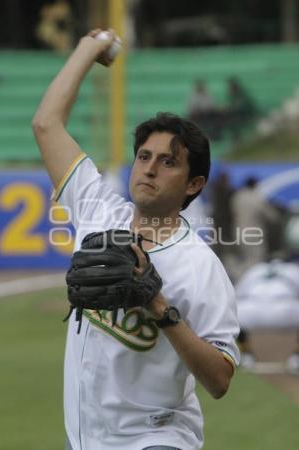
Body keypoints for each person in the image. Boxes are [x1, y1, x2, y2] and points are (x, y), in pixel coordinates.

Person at [32, 28, 240, 450]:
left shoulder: (199, 265)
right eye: (144, 156)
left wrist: (159, 306)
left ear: (193, 184)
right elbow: (46, 123)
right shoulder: (96, 211)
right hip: (87, 439)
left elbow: (219, 379)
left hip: (157, 438)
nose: (149, 169)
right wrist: (89, 47)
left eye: (168, 162)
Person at [231, 176, 279, 278]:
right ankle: (250, 286)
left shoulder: (238, 196)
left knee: (246, 260)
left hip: (238, 233)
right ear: (255, 185)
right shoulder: (256, 197)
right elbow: (271, 216)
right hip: (253, 234)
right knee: (256, 262)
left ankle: (240, 282)